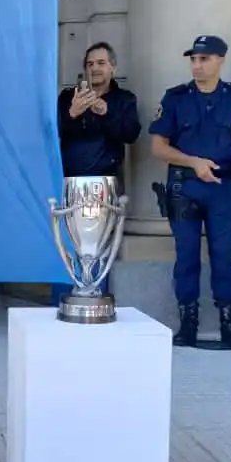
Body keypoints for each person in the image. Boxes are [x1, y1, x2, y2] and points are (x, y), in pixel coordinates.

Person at [149, 35, 231, 349]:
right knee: (186, 256)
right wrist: (193, 162)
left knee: (223, 256)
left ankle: (230, 323)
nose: (197, 65)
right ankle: (188, 324)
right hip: (185, 187)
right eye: (194, 59)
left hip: (223, 189)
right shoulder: (176, 98)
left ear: (220, 60)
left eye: (204, 59)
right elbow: (158, 147)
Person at [53, 42, 141, 303]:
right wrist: (72, 113)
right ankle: (63, 301)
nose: (95, 68)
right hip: (69, 181)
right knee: (67, 245)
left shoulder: (124, 100)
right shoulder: (68, 97)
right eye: (90, 64)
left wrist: (106, 112)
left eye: (101, 63)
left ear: (113, 67)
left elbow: (131, 133)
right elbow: (52, 131)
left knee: (100, 247)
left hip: (104, 182)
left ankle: (96, 299)